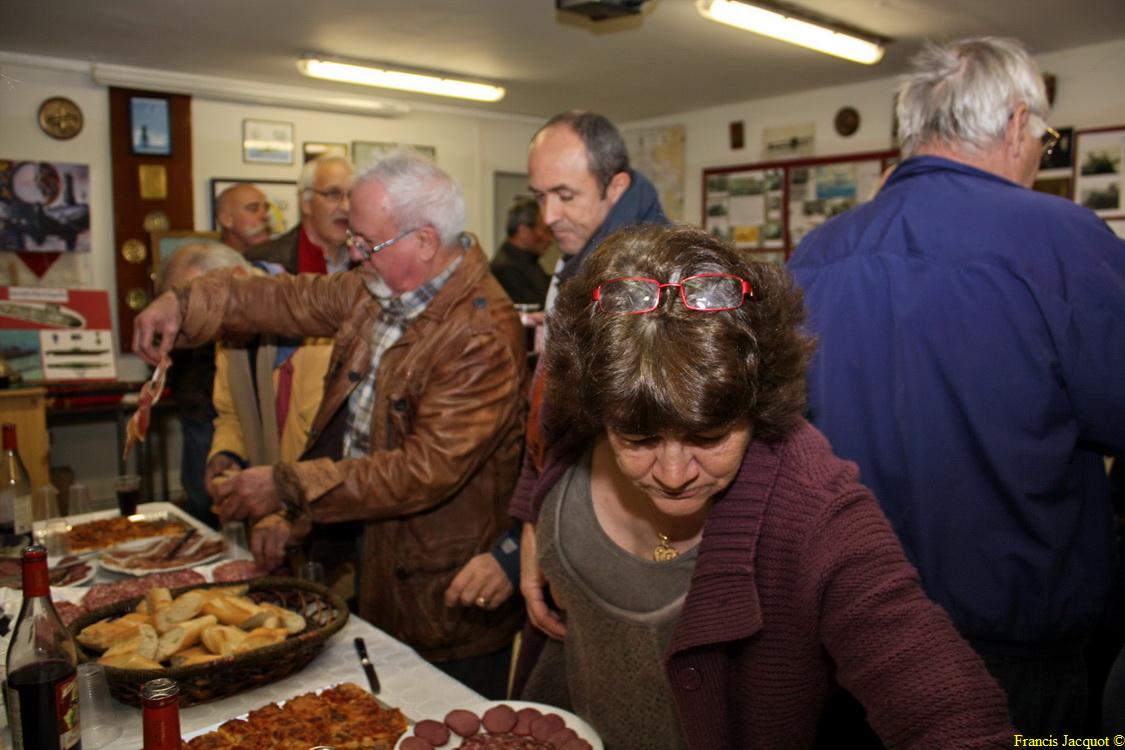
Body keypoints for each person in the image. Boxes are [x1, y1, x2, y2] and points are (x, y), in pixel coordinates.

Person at [509, 224, 1013, 749]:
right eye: (638, 438)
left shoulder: (813, 509)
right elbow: (544, 428)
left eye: (709, 436)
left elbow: (946, 705)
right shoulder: (582, 403)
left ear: (759, 400)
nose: (675, 474)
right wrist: (531, 518)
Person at [788, 36, 1125, 736]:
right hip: (1009, 653)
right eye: (1043, 136)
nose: (1037, 152)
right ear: (1012, 124)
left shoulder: (816, 253)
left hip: (847, 636)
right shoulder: (1063, 240)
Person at [133, 152, 527, 699]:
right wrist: (185, 302)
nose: (353, 253)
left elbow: (422, 471)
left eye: (368, 242)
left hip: (441, 596)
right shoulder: (378, 289)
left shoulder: (479, 335)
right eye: (352, 237)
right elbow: (288, 297)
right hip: (377, 560)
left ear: (426, 241)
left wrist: (286, 484)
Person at [528, 110, 668, 317]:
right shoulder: (577, 250)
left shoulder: (661, 280)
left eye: (566, 196)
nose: (549, 217)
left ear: (616, 188)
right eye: (540, 196)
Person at [246, 155, 353, 274]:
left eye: (352, 195)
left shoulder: (368, 259)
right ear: (305, 203)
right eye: (333, 194)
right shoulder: (263, 262)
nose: (346, 207)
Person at [490, 197, 553, 306]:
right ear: (523, 230)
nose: (550, 240)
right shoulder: (506, 269)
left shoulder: (528, 261)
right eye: (546, 231)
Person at [215, 182, 271, 253]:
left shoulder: (279, 259)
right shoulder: (209, 261)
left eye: (266, 209)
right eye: (253, 209)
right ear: (226, 219)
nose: (266, 216)